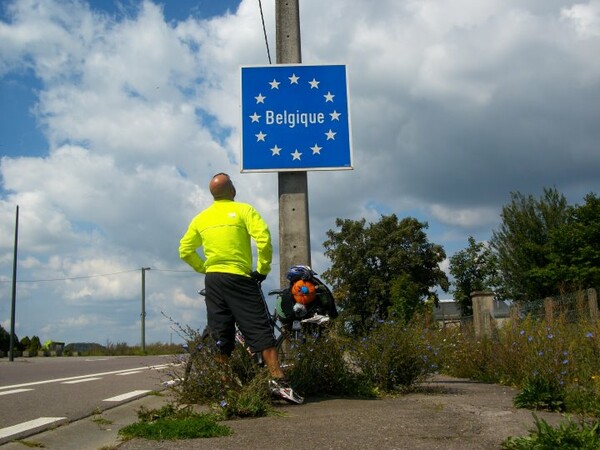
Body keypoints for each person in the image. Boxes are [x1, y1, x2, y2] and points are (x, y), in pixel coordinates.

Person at [179, 172, 303, 404]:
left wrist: (205, 268)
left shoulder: (201, 218)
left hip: (214, 280)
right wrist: (262, 269)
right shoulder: (245, 210)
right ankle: (278, 381)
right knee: (260, 328)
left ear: (212, 194)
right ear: (232, 190)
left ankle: (226, 389)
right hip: (240, 278)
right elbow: (263, 239)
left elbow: (184, 250)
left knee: (220, 334)